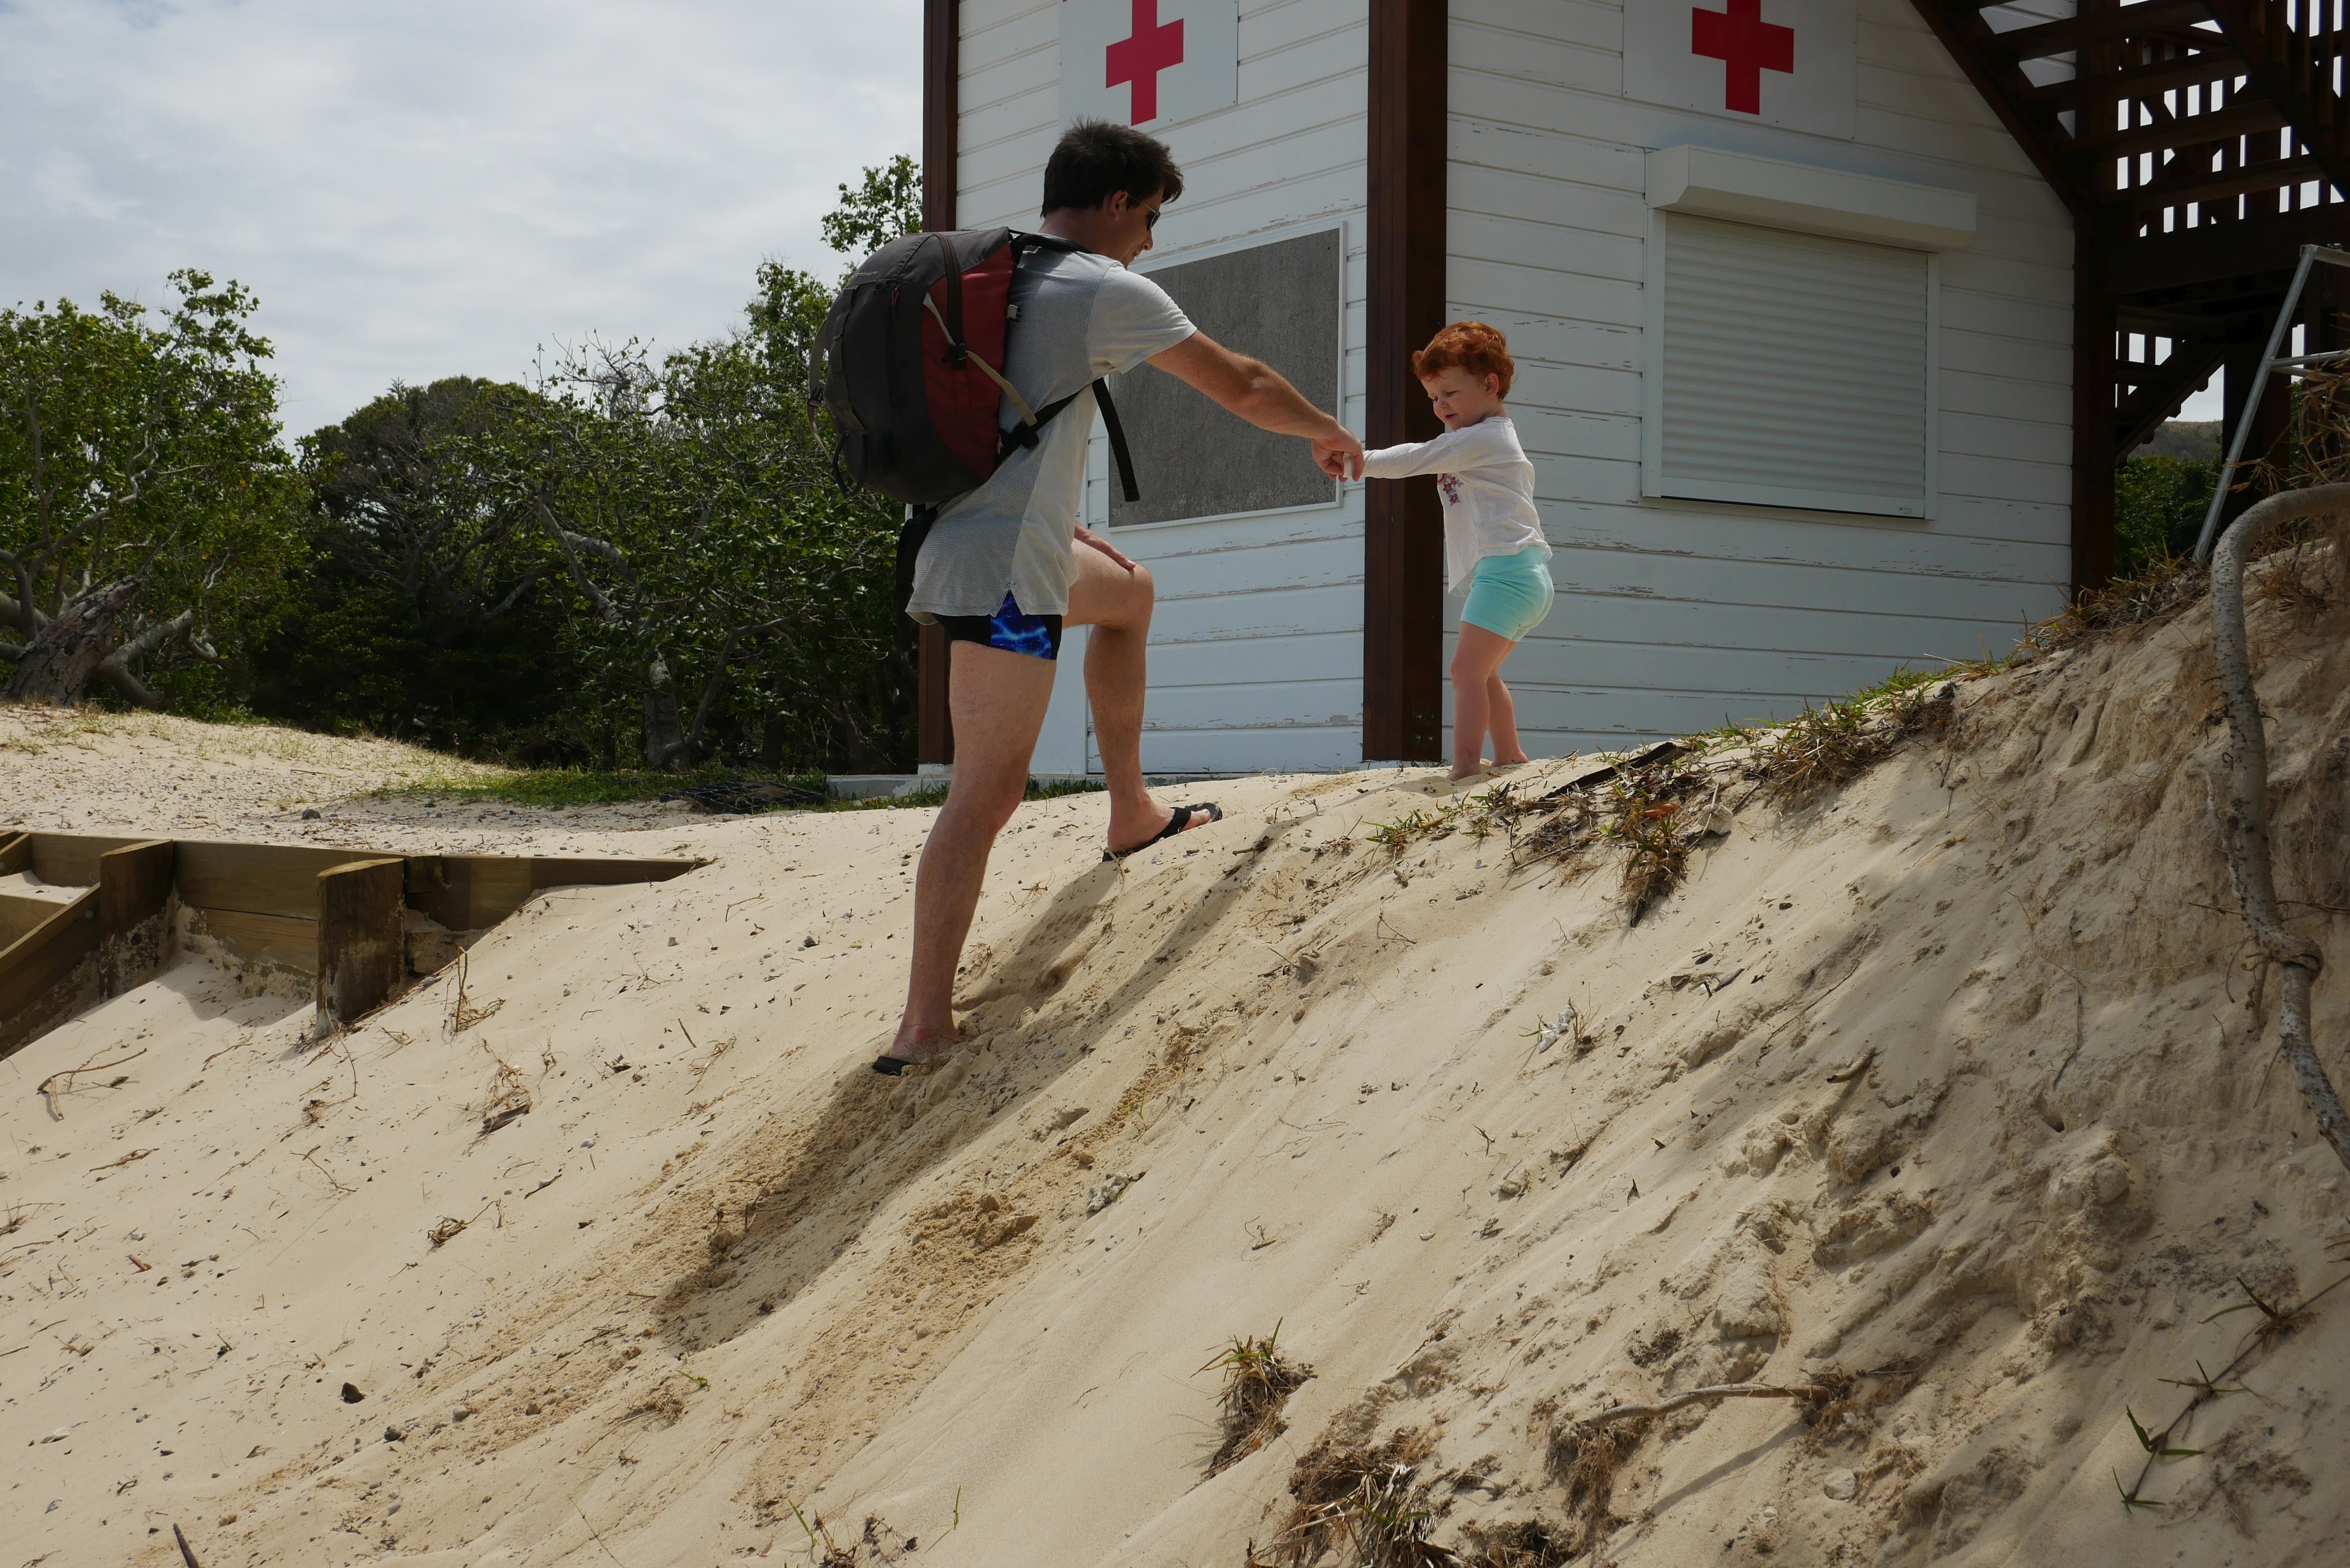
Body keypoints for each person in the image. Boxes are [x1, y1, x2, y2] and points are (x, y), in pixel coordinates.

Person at [878, 120, 1363, 1075]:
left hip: (982, 546)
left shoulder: (1000, 274)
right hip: (1005, 579)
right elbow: (1243, 384)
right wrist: (1326, 429)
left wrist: (1061, 527)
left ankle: (1131, 810)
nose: (1148, 240)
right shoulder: (1102, 287)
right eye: (1148, 218)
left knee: (1132, 593)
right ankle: (922, 1025)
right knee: (986, 792)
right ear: (1113, 204)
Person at [1355, 322, 1553, 781]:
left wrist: (1357, 461)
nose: (1440, 405)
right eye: (1433, 397)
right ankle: (1509, 755)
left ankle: (1464, 769)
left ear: (1490, 385)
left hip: (1508, 574)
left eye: (1450, 393)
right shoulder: (1482, 439)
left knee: (1466, 672)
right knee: (1483, 673)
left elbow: (1416, 457)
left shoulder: (1483, 438)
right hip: (1522, 574)